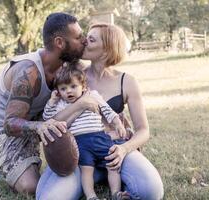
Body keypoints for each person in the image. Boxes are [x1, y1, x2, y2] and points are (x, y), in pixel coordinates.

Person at [44, 23, 165, 199]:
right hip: (79, 153)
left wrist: (123, 149)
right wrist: (80, 105)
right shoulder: (72, 78)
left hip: (113, 150)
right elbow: (52, 122)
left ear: (107, 50)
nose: (84, 41)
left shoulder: (127, 81)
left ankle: (111, 179)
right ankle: (92, 178)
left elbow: (143, 130)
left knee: (151, 191)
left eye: (91, 39)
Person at [0, 12, 88, 196]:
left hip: (38, 121)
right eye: (79, 37)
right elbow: (9, 124)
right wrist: (40, 127)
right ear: (59, 43)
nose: (85, 40)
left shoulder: (66, 66)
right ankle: (2, 163)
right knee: (31, 187)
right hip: (5, 131)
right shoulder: (28, 71)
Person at [43, 64, 130, 200]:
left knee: (112, 165)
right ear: (58, 91)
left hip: (99, 137)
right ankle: (91, 196)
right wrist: (52, 101)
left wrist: (118, 123)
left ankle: (116, 193)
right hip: (79, 142)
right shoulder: (61, 104)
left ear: (83, 86)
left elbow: (107, 111)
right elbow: (48, 119)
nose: (69, 91)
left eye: (73, 86)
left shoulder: (92, 95)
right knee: (86, 170)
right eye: (63, 89)